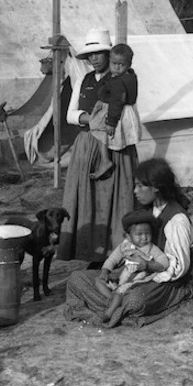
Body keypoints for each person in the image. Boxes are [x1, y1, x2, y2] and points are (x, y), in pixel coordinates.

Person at [64, 157, 193, 327]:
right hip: (134, 275)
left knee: (135, 301)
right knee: (76, 278)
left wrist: (147, 268)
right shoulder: (148, 211)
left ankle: (114, 305)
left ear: (156, 187)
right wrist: (113, 272)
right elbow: (125, 249)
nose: (135, 191)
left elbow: (177, 268)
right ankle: (115, 302)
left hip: (166, 283)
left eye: (140, 186)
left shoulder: (177, 220)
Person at [58, 29, 138, 267]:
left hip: (115, 144)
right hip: (87, 145)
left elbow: (126, 112)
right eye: (90, 54)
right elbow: (71, 114)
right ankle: (93, 252)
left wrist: (103, 122)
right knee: (88, 198)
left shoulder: (123, 78)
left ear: (109, 54)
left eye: (99, 53)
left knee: (116, 197)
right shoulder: (85, 80)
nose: (94, 59)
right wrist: (88, 119)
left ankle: (118, 251)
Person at [95, 209, 168, 321]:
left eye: (147, 233)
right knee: (99, 281)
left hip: (137, 280)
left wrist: (148, 265)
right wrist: (105, 271)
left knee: (123, 292)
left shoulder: (152, 249)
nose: (144, 237)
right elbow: (112, 259)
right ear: (128, 236)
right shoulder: (124, 247)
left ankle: (109, 313)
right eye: (139, 234)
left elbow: (164, 262)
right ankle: (112, 299)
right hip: (122, 278)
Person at [88, 43, 141, 180]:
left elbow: (117, 101)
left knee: (100, 131)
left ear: (128, 64)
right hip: (126, 112)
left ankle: (105, 160)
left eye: (121, 64)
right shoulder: (130, 76)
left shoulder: (118, 81)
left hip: (116, 113)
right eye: (114, 63)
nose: (117, 67)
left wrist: (111, 122)